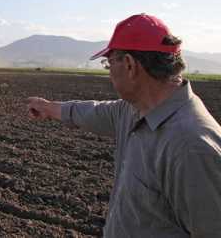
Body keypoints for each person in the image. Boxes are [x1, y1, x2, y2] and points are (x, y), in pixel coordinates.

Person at [27, 13, 221, 237]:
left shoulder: (191, 147)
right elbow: (94, 112)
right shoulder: (134, 110)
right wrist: (49, 108)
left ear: (129, 65)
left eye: (109, 63)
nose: (109, 72)